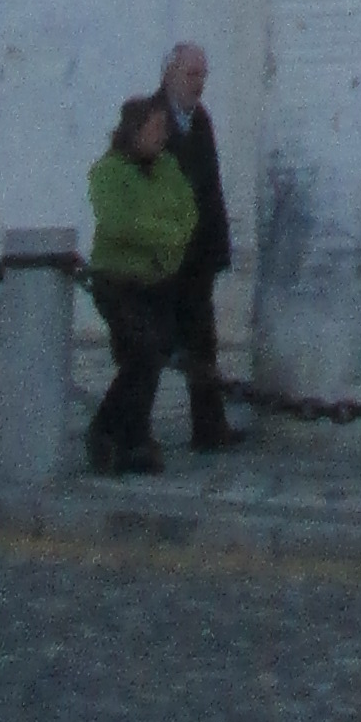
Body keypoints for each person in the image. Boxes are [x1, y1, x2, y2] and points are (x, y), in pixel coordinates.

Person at [83, 92, 195, 477]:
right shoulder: (108, 171)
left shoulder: (166, 168)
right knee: (142, 352)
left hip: (158, 278)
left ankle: (131, 437)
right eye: (155, 128)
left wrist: (170, 235)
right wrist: (165, 233)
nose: (162, 136)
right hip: (118, 279)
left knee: (149, 359)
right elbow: (119, 222)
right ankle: (109, 429)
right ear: (134, 130)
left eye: (164, 129)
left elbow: (187, 210)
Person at [157, 41, 235, 453]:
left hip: (196, 254)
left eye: (203, 75)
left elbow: (211, 190)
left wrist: (217, 247)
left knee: (203, 340)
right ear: (170, 73)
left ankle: (209, 426)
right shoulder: (149, 117)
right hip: (162, 251)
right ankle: (127, 427)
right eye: (191, 74)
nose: (199, 83)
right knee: (150, 343)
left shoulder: (200, 120)